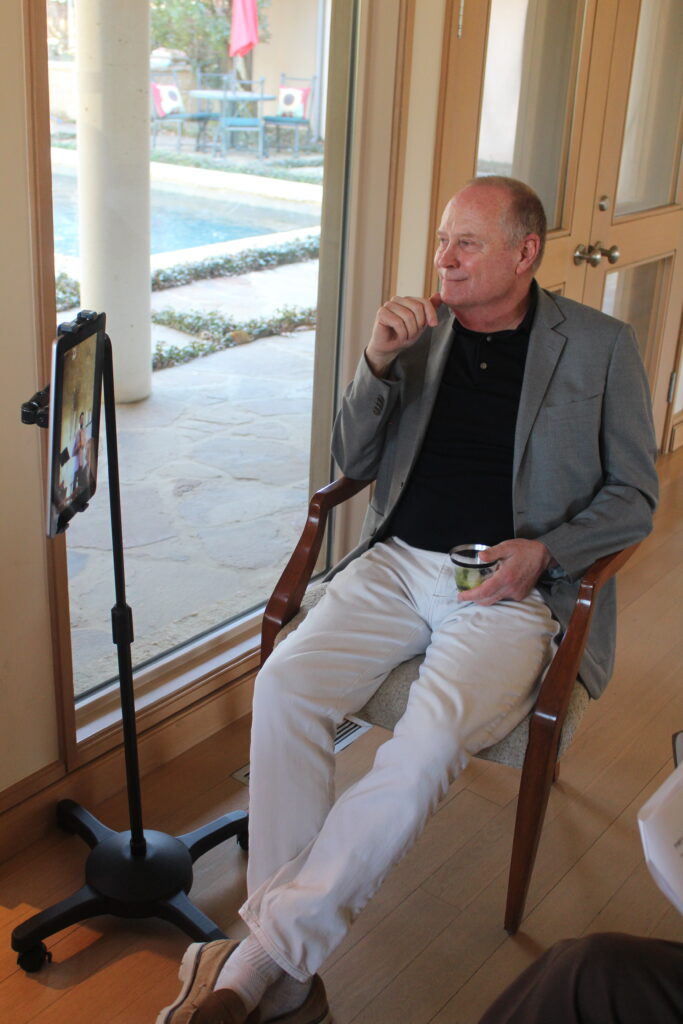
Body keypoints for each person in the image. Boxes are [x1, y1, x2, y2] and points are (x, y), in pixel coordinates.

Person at [157, 177, 659, 1024]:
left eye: (465, 243)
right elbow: (351, 459)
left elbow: (634, 496)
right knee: (284, 685)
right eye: (440, 240)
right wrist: (376, 362)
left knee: (425, 750)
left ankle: (255, 965)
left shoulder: (598, 346)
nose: (442, 259)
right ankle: (283, 967)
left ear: (525, 253)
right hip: (393, 565)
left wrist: (544, 553)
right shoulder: (419, 335)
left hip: (504, 590)